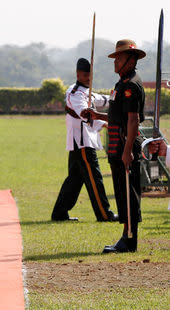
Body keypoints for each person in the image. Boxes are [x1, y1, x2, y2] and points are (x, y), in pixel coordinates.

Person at [85, 39, 146, 253]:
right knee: (121, 192)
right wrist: (97, 115)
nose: (115, 61)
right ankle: (125, 236)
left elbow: (132, 120)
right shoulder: (122, 83)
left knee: (128, 193)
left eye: (118, 58)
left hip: (124, 145)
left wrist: (128, 150)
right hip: (117, 145)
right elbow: (118, 117)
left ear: (131, 60)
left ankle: (129, 240)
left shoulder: (130, 85)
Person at [52, 58, 118, 222]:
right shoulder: (74, 93)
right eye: (85, 74)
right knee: (94, 178)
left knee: (74, 180)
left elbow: (101, 100)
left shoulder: (86, 92)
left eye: (90, 74)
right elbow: (85, 113)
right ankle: (104, 214)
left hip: (82, 141)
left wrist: (117, 97)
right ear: (78, 74)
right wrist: (104, 123)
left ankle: (59, 213)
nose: (88, 77)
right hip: (81, 142)